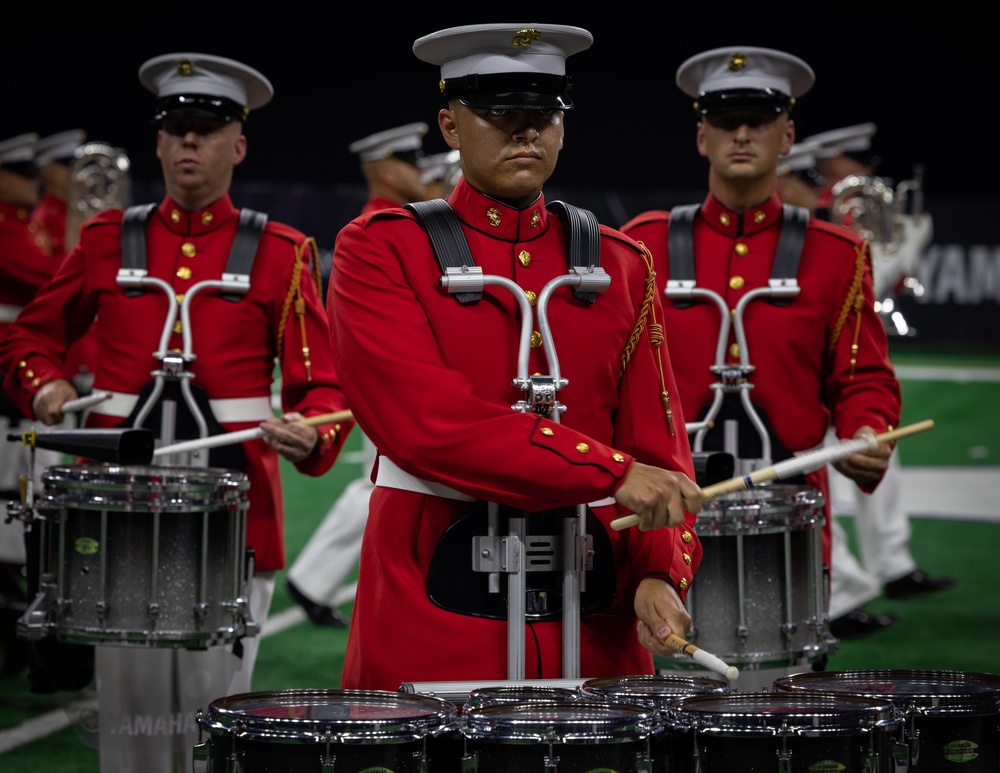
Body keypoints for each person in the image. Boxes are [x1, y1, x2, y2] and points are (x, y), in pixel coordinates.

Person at [0, 52, 352, 772]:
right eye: (178, 128)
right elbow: (28, 334)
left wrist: (308, 431)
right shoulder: (104, 240)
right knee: (129, 732)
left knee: (210, 727)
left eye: (208, 128)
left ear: (238, 145)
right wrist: (46, 385)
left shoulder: (282, 254)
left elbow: (326, 391)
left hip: (236, 520)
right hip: (117, 515)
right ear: (158, 144)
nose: (191, 142)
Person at [328, 22, 704, 692]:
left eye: (543, 114)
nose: (525, 132)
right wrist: (610, 470)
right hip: (432, 600)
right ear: (450, 125)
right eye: (500, 114)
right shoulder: (381, 249)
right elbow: (427, 423)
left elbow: (659, 447)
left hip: (594, 605)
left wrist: (656, 571)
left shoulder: (621, 263)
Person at [620, 47, 902, 648]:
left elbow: (862, 378)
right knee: (659, 699)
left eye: (759, 120)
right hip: (664, 518)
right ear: (702, 136)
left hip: (790, 518)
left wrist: (867, 429)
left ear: (788, 136)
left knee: (782, 698)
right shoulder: (640, 245)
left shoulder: (838, 254)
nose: (742, 134)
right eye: (724, 121)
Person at [782, 125, 954, 635]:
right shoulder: (801, 239)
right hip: (809, 380)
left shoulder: (818, 231)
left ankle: (885, 566)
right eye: (809, 177)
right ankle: (837, 594)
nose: (818, 189)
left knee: (876, 462)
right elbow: (868, 283)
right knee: (817, 487)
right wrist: (904, 248)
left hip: (849, 372)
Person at [286, 121, 432, 628]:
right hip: (388, 384)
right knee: (382, 484)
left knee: (379, 485)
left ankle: (313, 580)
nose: (422, 171)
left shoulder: (403, 221)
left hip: (396, 383)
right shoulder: (377, 230)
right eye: (412, 163)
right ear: (385, 169)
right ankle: (314, 581)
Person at [30, 129, 86, 257]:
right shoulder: (48, 216)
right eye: (72, 168)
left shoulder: (68, 208)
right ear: (53, 175)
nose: (83, 174)